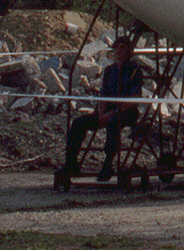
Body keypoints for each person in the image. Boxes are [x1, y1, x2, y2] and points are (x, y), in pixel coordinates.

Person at [63, 34, 146, 181]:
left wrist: (114, 112)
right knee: (78, 123)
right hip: (106, 110)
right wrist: (101, 113)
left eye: (123, 48)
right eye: (116, 48)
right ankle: (71, 162)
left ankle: (108, 163)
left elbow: (134, 98)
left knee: (114, 122)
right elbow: (103, 94)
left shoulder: (134, 70)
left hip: (126, 111)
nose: (119, 51)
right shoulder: (109, 71)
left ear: (128, 51)